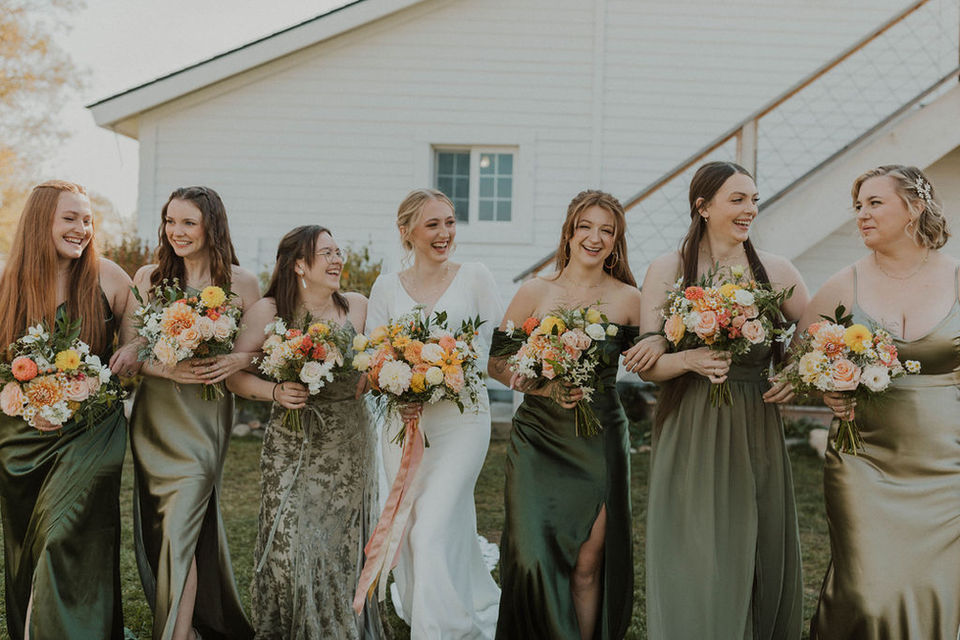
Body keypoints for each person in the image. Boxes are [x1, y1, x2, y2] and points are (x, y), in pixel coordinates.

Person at [637, 161, 808, 639]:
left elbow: (816, 333)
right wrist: (688, 359)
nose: (750, 209)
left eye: (754, 199)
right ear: (703, 206)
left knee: (758, 548)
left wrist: (796, 370)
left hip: (756, 423)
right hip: (691, 423)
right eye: (738, 199)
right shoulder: (667, 269)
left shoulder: (775, 269)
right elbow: (649, 362)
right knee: (697, 553)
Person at [489, 189, 664, 640]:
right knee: (530, 559)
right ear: (569, 232)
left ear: (616, 241)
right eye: (586, 227)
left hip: (599, 439)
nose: (595, 237)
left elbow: (654, 360)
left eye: (607, 231)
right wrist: (544, 384)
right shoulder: (534, 291)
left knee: (588, 566)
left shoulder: (630, 299)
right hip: (538, 440)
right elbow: (497, 362)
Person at [806, 165, 960, 639]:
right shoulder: (841, 285)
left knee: (937, 592)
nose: (862, 215)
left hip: (948, 467)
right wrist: (825, 387)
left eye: (874, 203)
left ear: (914, 208)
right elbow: (798, 364)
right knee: (868, 596)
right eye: (858, 206)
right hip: (863, 461)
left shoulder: (957, 278)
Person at [227, 225, 384, 639]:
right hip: (291, 443)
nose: (337, 260)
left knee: (340, 544)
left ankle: (337, 628)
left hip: (349, 442)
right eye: (326, 253)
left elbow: (380, 366)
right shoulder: (269, 311)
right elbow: (234, 377)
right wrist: (275, 390)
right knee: (290, 542)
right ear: (299, 264)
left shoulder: (359, 307)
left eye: (338, 251)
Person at [0, 180, 139, 639]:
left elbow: (142, 337)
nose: (82, 228)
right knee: (30, 548)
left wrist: (135, 350)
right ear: (42, 221)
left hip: (92, 432)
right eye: (71, 218)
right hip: (20, 439)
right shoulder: (7, 283)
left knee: (64, 537)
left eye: (87, 220)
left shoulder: (110, 277)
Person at [125, 186, 260, 640]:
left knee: (184, 521)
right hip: (155, 418)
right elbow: (131, 353)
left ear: (211, 227)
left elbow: (256, 354)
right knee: (169, 530)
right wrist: (169, 369)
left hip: (206, 419)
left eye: (188, 222)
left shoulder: (242, 284)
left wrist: (239, 360)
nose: (176, 232)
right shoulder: (148, 278)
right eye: (170, 221)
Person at [366, 188, 502, 638]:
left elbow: (497, 353)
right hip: (404, 426)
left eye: (450, 222)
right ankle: (455, 604)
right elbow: (373, 361)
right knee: (423, 528)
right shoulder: (386, 287)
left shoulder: (476, 277)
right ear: (406, 232)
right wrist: (394, 382)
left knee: (430, 529)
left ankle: (439, 631)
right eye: (433, 224)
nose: (445, 233)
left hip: (463, 421)